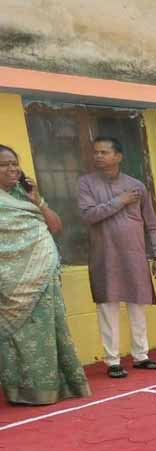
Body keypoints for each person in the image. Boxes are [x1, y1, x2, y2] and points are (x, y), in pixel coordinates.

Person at [0, 145, 91, 405]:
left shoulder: (24, 194)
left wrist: (37, 200)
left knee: (50, 331)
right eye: (4, 164)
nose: (12, 169)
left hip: (43, 278)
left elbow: (55, 226)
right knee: (18, 337)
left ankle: (60, 386)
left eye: (14, 163)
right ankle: (24, 392)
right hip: (10, 282)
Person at [78, 137, 156, 379]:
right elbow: (89, 215)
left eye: (104, 152)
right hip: (104, 255)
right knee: (108, 307)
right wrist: (121, 201)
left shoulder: (136, 186)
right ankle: (113, 361)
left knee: (138, 306)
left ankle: (141, 356)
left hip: (135, 255)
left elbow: (151, 222)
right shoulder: (86, 184)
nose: (98, 156)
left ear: (118, 156)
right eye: (96, 152)